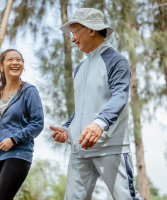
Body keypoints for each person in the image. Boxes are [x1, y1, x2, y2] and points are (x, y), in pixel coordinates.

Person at [50, 8, 142, 200]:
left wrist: (99, 124)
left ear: (91, 30)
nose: (73, 39)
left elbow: (119, 97)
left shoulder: (117, 61)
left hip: (111, 147)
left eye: (75, 32)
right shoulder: (80, 68)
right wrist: (67, 129)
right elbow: (82, 108)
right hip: (79, 149)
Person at [0, 49, 44, 200]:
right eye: (10, 60)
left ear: (23, 65)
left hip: (18, 153)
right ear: (1, 66)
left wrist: (13, 139)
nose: (15, 62)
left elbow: (38, 123)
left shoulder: (29, 91)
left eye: (19, 60)